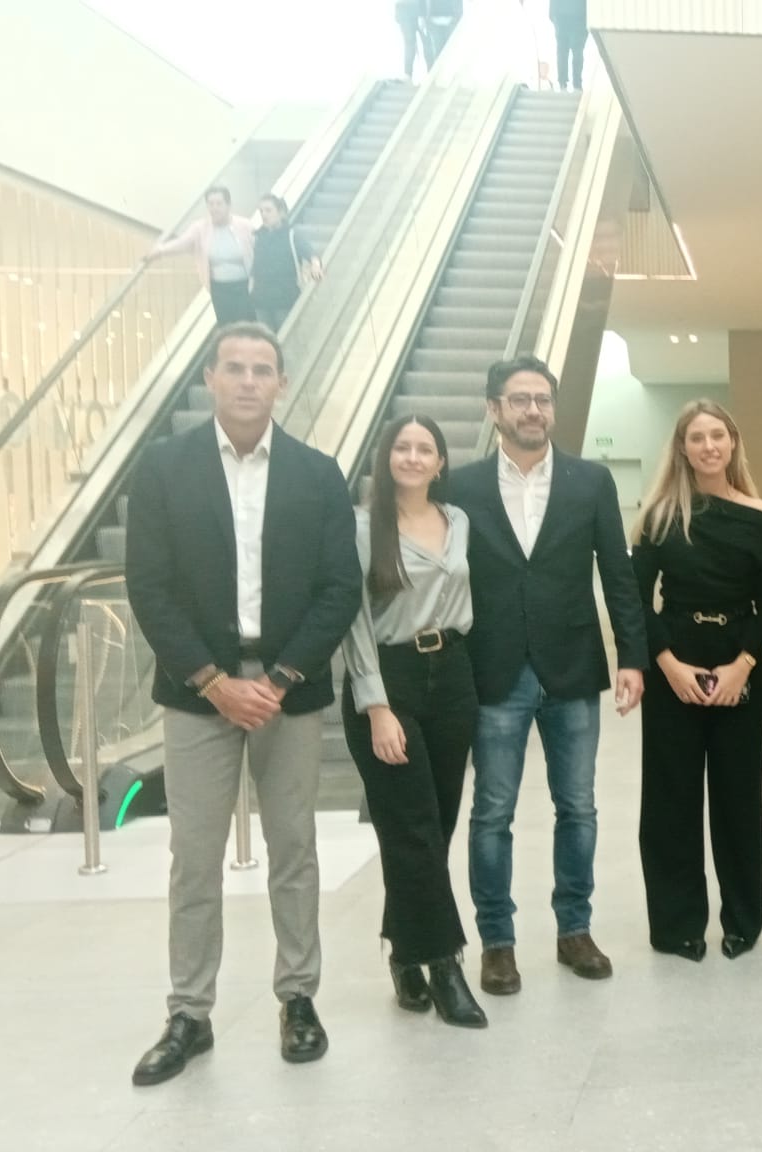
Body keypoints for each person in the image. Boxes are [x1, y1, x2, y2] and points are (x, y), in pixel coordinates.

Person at [124, 322, 360, 1085]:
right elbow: (149, 588)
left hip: (289, 690)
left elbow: (339, 588)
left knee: (294, 849)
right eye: (235, 368)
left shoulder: (318, 473)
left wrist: (281, 679)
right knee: (193, 858)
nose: (250, 381)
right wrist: (213, 682)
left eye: (263, 369)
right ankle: (189, 1013)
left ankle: (298, 999)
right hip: (197, 694)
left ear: (281, 384)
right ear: (212, 377)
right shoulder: (164, 469)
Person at [446, 355, 648, 995]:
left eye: (542, 399)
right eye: (519, 399)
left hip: (571, 667)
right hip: (493, 669)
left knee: (579, 808)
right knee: (492, 813)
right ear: (494, 409)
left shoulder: (591, 482)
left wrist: (632, 658)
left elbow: (617, 573)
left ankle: (574, 930)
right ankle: (497, 943)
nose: (533, 410)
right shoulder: (463, 486)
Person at [339, 416, 486, 1028]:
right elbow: (354, 620)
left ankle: (403, 949)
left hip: (451, 675)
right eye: (402, 446)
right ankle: (445, 964)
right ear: (386, 457)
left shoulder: (459, 523)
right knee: (414, 829)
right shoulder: (362, 526)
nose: (413, 455)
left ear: (441, 462)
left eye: (425, 448)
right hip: (389, 680)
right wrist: (376, 705)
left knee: (438, 826)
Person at [631, 401, 762, 962]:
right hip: (675, 660)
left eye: (718, 434)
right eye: (697, 437)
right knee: (671, 800)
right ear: (683, 447)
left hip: (738, 660)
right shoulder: (660, 516)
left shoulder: (760, 515)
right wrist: (667, 664)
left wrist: (742, 664)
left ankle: (742, 920)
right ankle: (677, 926)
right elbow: (634, 599)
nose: (709, 445)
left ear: (733, 441)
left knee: (737, 798)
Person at [143, 186, 258, 326]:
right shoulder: (200, 228)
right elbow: (181, 243)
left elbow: (258, 249)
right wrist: (159, 251)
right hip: (219, 289)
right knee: (227, 328)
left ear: (228, 205)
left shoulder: (244, 225)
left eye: (219, 203)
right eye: (211, 204)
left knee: (247, 327)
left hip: (245, 287)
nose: (214, 208)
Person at [250, 195, 323, 333]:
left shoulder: (291, 235)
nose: (264, 215)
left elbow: (309, 252)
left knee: (286, 338)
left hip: (285, 299)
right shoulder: (258, 236)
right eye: (261, 211)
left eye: (268, 210)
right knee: (266, 342)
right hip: (261, 300)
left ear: (280, 212)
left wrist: (316, 265)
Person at [551, 0, 588, 91]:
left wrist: (554, 17)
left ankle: (563, 83)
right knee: (577, 52)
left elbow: (552, 5)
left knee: (562, 52)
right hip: (579, 18)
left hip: (561, 17)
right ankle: (577, 84)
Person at [424, 0, 464, 66]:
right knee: (438, 53)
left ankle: (451, 74)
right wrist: (422, 16)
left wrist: (459, 17)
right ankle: (440, 74)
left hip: (452, 19)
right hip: (434, 20)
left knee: (452, 52)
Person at [395, 0, 428, 79]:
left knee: (424, 43)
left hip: (412, 10)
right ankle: (408, 73)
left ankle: (408, 74)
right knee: (424, 43)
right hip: (407, 10)